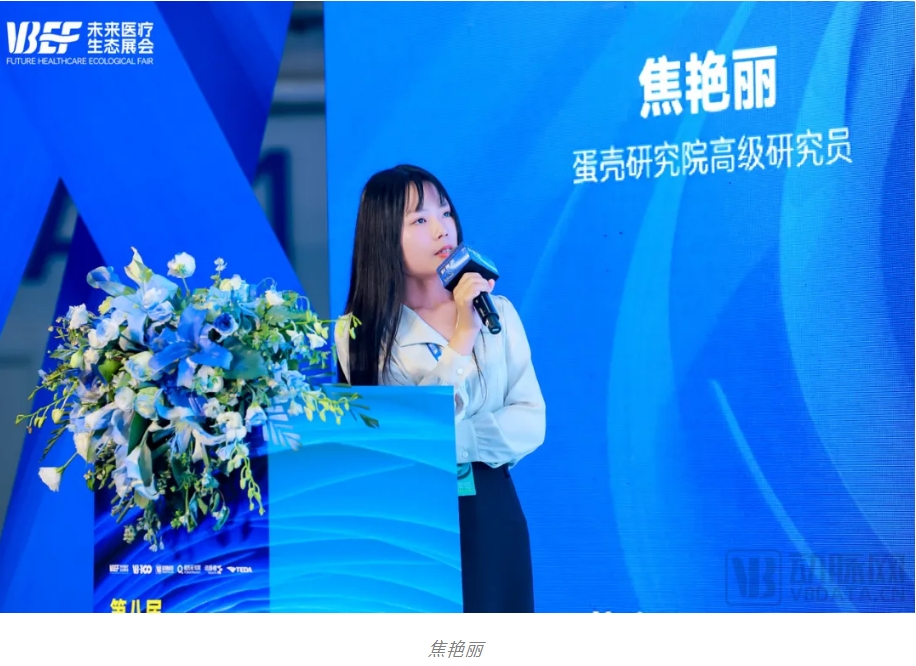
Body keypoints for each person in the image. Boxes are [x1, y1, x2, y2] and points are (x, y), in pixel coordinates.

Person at [334, 164, 546, 613]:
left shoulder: (499, 312)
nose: (441, 229)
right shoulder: (359, 333)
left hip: (492, 508)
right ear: (382, 235)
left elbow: (530, 421)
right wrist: (462, 338)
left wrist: (451, 441)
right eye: (419, 219)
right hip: (413, 518)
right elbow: (406, 437)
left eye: (445, 213)